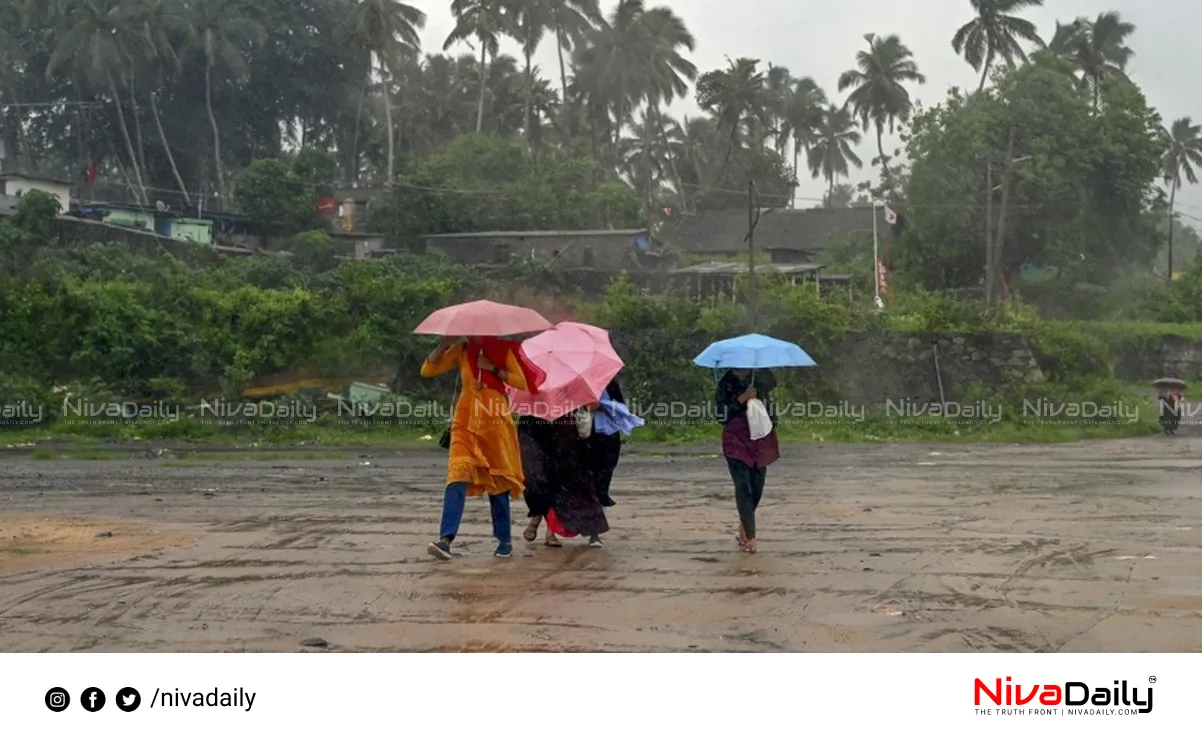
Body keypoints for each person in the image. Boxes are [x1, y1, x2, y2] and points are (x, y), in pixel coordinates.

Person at [422, 335, 544, 560]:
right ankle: (445, 539)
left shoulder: (504, 350)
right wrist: (442, 345)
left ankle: (504, 541)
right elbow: (427, 370)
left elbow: (519, 381)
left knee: (497, 481)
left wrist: (493, 368)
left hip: (494, 421)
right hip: (465, 419)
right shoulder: (461, 349)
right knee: (457, 475)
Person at [519, 407, 608, 547]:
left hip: (563, 433)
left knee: (566, 482)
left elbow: (592, 404)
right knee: (538, 483)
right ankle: (538, 518)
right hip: (535, 431)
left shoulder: (568, 390)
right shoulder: (530, 396)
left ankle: (551, 529)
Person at [715, 368, 780, 554]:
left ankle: (744, 524)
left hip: (760, 439)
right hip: (736, 441)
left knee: (757, 487)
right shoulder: (725, 384)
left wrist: (756, 385)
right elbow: (721, 415)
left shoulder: (759, 377)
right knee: (744, 487)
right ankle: (750, 537)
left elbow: (772, 385)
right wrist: (741, 399)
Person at [588, 378, 643, 509]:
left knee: (607, 467)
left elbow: (621, 406)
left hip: (609, 432)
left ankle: (601, 495)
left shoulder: (611, 385)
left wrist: (602, 405)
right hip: (586, 432)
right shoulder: (577, 387)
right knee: (591, 469)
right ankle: (595, 497)